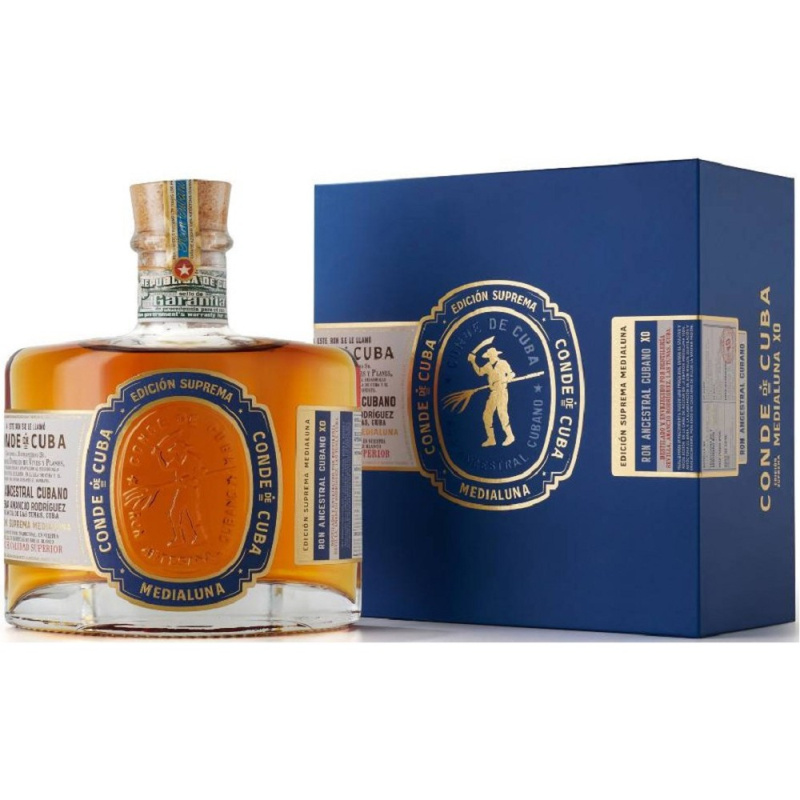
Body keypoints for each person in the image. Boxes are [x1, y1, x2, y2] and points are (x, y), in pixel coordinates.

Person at [468, 346, 516, 447]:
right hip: (493, 392)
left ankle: (510, 436)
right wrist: (473, 362)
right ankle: (491, 439)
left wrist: (507, 378)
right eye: (489, 356)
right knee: (487, 415)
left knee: (502, 414)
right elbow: (479, 372)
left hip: (502, 391)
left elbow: (512, 374)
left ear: (495, 355)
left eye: (492, 355)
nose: (491, 357)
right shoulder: (488, 365)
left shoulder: (503, 363)